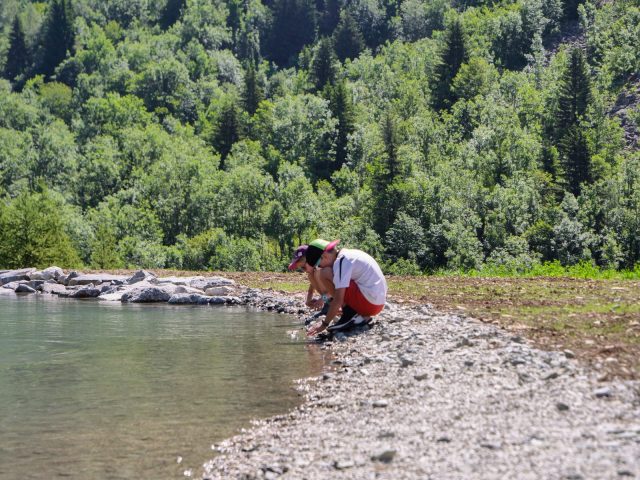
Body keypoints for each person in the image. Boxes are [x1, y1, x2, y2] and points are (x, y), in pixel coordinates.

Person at [305, 239, 387, 336]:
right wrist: (324, 300)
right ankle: (353, 314)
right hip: (377, 302)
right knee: (326, 273)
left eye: (318, 264)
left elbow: (338, 298)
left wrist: (324, 324)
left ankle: (349, 314)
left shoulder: (341, 261)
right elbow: (331, 293)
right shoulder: (349, 254)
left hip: (370, 304)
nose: (320, 267)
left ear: (324, 256)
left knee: (324, 273)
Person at [288, 244, 332, 323]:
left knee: (317, 273)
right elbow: (311, 288)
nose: (304, 271)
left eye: (303, 267)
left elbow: (335, 289)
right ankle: (328, 304)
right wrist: (308, 300)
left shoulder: (321, 268)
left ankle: (331, 305)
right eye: (302, 269)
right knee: (311, 275)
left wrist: (322, 299)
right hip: (332, 296)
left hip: (340, 294)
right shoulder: (314, 272)